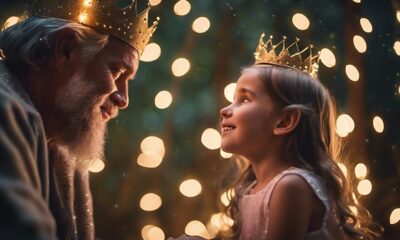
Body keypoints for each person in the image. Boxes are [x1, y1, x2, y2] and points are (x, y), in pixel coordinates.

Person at [0, 0, 158, 239]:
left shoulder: (64, 153)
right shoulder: (5, 109)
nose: (124, 99)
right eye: (117, 72)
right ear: (65, 50)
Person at [218, 34, 382, 240]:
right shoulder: (248, 191)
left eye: (244, 99)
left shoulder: (291, 186)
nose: (225, 110)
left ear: (284, 122)